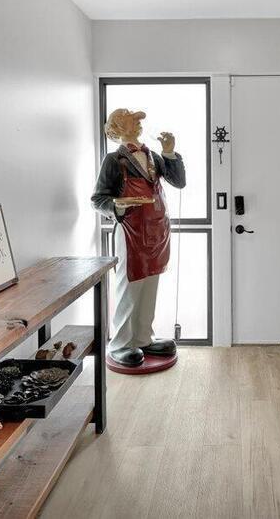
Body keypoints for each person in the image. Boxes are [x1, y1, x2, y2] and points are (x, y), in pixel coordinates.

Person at [91, 108, 186, 367]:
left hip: (157, 230)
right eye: (132, 120)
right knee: (129, 285)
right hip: (131, 231)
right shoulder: (114, 160)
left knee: (151, 283)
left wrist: (169, 152)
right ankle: (121, 344)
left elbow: (179, 182)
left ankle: (144, 338)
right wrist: (117, 205)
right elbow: (98, 199)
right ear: (119, 127)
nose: (138, 123)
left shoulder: (153, 156)